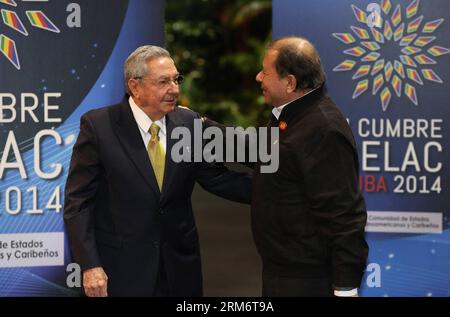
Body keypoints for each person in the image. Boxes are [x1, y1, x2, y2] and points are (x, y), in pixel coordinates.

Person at [63, 45, 251, 297]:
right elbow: (78, 203)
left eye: (176, 79)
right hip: (121, 271)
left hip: (179, 270)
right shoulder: (99, 126)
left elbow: (215, 177)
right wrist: (90, 265)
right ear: (135, 86)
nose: (174, 89)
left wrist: (279, 189)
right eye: (163, 81)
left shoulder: (189, 123)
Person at [251, 36, 369, 297]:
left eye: (265, 72)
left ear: (290, 82)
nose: (259, 77)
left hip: (307, 282)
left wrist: (346, 288)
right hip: (280, 274)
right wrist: (203, 129)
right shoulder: (289, 115)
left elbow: (344, 216)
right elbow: (265, 156)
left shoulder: (324, 129)